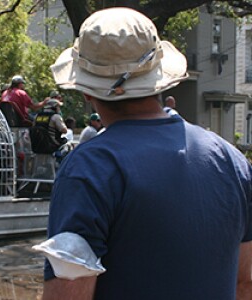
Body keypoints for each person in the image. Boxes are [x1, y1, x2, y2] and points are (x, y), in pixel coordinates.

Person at [36, 7, 252, 300]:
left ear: (86, 90)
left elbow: (69, 293)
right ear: (159, 78)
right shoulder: (231, 161)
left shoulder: (90, 169)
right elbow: (245, 282)